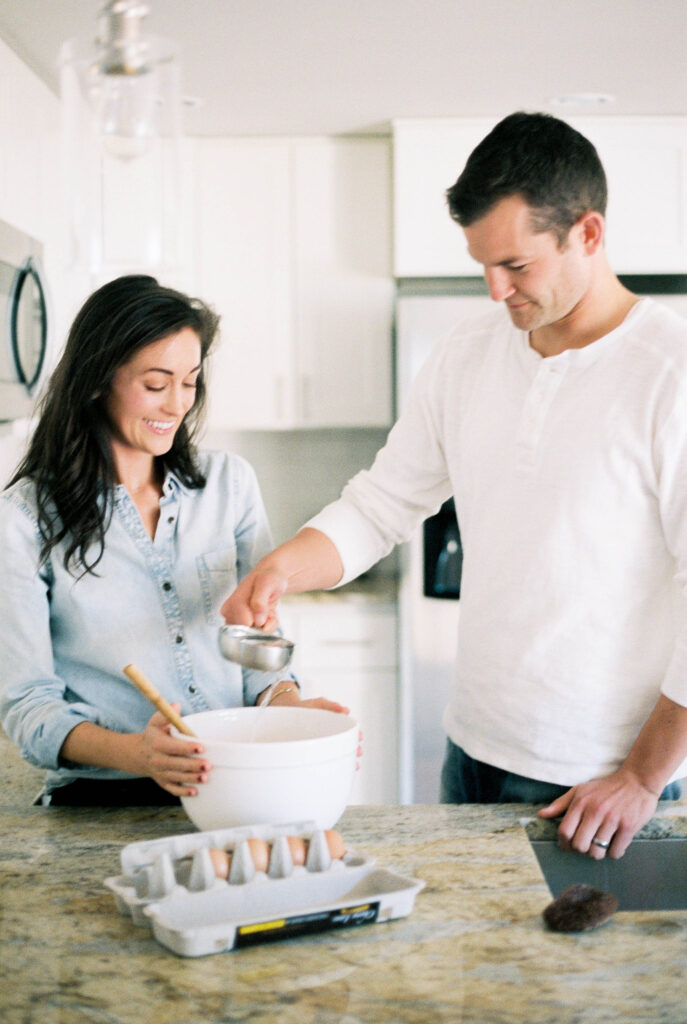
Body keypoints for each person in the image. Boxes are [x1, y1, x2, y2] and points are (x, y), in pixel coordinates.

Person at [222, 111, 687, 861]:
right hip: (469, 751)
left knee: (584, 983)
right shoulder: (465, 354)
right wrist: (286, 566)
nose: (494, 289)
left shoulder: (670, 371)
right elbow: (381, 504)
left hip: (598, 785)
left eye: (516, 266)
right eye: (481, 264)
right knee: (472, 974)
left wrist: (639, 776)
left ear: (587, 234)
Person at [0, 274, 344, 806]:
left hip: (233, 787)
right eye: (156, 384)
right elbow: (29, 706)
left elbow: (257, 656)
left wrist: (289, 708)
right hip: (102, 803)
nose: (177, 405)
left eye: (191, 382)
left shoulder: (230, 485)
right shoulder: (24, 519)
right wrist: (136, 753)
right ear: (96, 380)